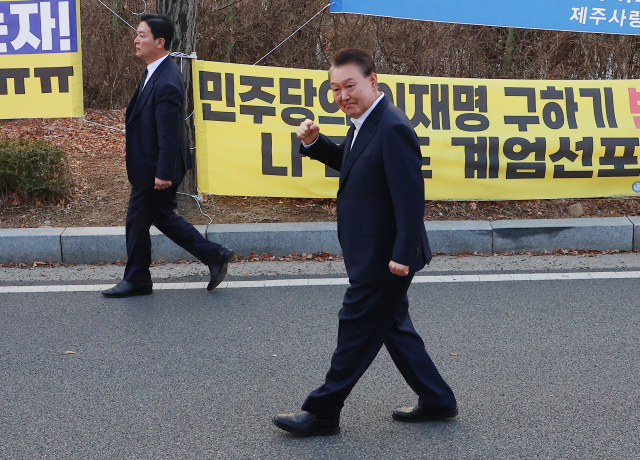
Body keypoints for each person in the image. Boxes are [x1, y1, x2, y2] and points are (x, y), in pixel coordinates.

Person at [272, 49, 457, 436]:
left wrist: (403, 255)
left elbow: (410, 197)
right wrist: (315, 143)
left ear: (373, 81)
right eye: (335, 89)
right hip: (371, 250)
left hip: (384, 256)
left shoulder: (392, 127)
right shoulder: (363, 122)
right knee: (392, 327)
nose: (342, 96)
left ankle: (323, 412)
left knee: (354, 328)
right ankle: (438, 399)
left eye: (350, 85)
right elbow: (352, 162)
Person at [102, 14, 233, 298]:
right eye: (136, 34)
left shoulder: (167, 81)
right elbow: (145, 120)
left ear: (159, 42)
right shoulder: (154, 70)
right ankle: (215, 255)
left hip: (156, 168)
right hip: (149, 162)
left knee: (137, 221)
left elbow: (169, 133)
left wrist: (163, 172)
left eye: (142, 35)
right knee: (162, 217)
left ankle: (138, 279)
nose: (136, 40)